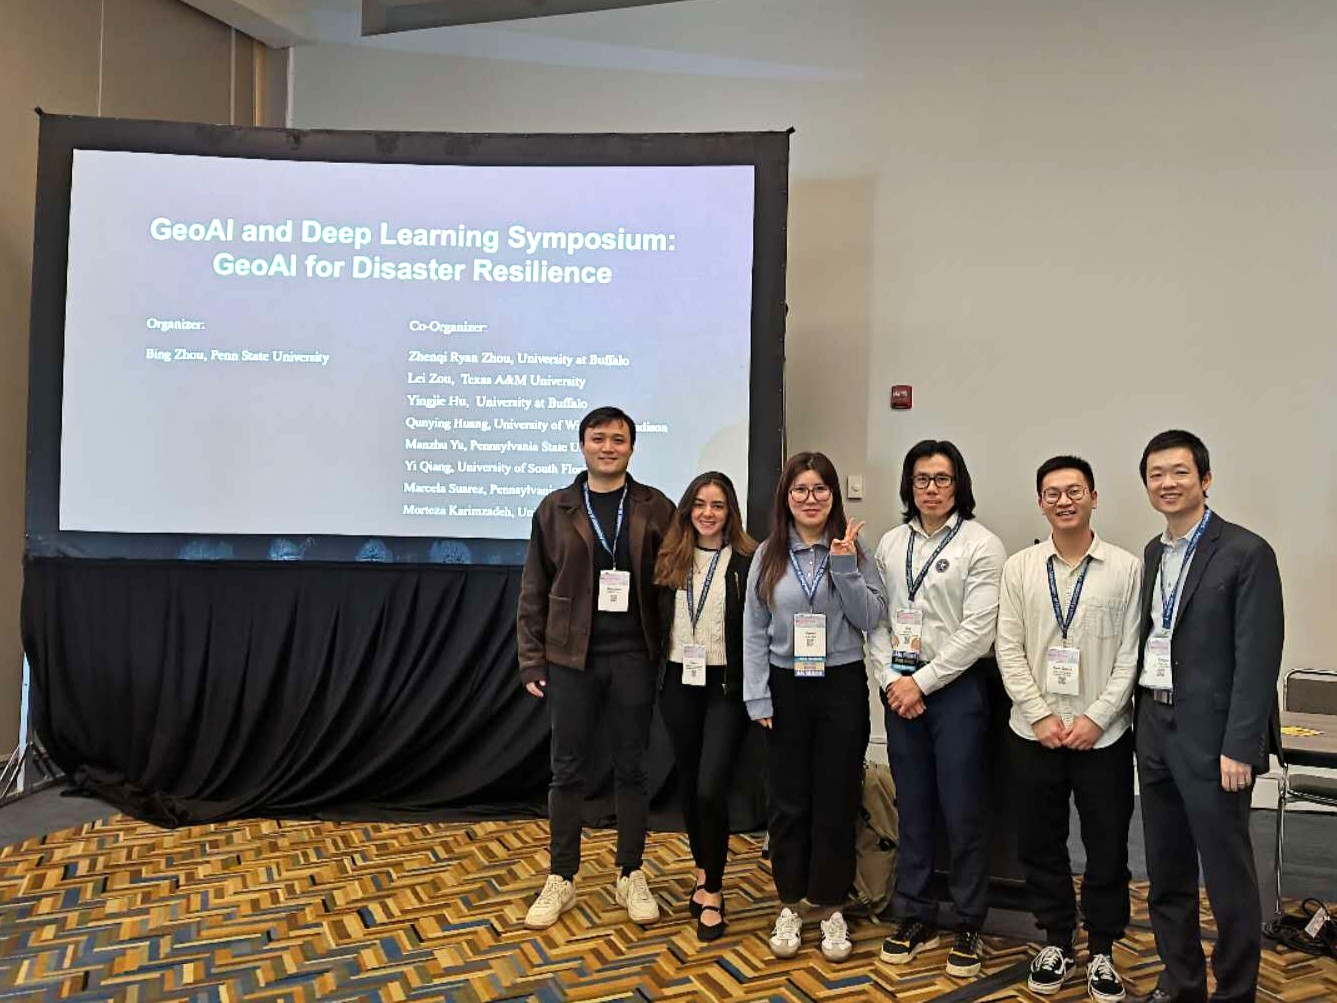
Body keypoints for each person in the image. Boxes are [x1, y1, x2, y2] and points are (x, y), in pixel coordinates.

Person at [1131, 431, 1283, 1003]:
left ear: (1206, 479)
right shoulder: (1154, 552)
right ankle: (1181, 982)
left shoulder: (1246, 552)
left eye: (1179, 472)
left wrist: (1241, 745)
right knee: (1166, 872)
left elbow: (1258, 658)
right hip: (1155, 728)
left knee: (1226, 877)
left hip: (1214, 738)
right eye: (1156, 474)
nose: (1167, 483)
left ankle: (1236, 990)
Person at [517, 405, 676, 930]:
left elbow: (675, 584)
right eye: (598, 438)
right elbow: (534, 589)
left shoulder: (656, 506)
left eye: (618, 439)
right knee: (567, 770)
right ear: (583, 445)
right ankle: (561, 876)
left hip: (634, 656)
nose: (608, 447)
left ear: (632, 447)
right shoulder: (555, 508)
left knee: (632, 767)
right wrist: (531, 658)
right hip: (570, 658)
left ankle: (630, 871)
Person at [996, 456, 1142, 1002]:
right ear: (1040, 503)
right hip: (1033, 732)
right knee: (1039, 842)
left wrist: (1095, 717)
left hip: (1103, 736)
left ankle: (1102, 947)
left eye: (1074, 490)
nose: (1064, 500)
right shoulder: (1020, 568)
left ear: (1093, 497)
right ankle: (1056, 937)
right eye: (1052, 493)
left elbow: (1131, 655)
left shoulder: (1126, 568)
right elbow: (1008, 648)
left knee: (1107, 845)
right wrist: (1039, 714)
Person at [868, 439, 1006, 979]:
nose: (931, 489)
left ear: (958, 485)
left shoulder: (981, 544)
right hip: (900, 690)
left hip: (956, 691)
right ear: (910, 485)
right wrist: (892, 681)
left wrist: (919, 683)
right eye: (921, 479)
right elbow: (878, 620)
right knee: (914, 804)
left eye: (942, 479)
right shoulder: (890, 542)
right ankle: (915, 912)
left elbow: (978, 631)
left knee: (963, 807)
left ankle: (969, 920)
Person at [743, 452, 886, 963]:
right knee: (788, 800)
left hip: (840, 685)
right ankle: (789, 902)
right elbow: (754, 629)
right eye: (800, 490)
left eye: (820, 489)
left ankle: (831, 906)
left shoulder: (854, 548)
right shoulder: (768, 554)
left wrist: (844, 565)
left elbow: (870, 616)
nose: (810, 498)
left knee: (836, 797)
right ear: (786, 498)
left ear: (833, 496)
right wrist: (757, 694)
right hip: (784, 686)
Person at [654, 471, 757, 942]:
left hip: (725, 687)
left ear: (730, 511)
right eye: (699, 504)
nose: (708, 513)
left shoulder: (747, 562)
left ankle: (713, 891)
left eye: (717, 505)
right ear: (687, 509)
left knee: (712, 787)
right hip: (679, 682)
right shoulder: (670, 558)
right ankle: (703, 869)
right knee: (691, 786)